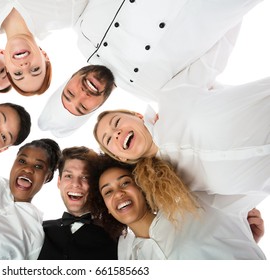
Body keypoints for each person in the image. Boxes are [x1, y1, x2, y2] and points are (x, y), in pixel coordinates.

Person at [37, 0, 262, 136]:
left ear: (68, 80)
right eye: (83, 107)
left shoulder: (83, 32)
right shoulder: (158, 93)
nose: (82, 94)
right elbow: (214, 60)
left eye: (70, 94)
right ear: (96, 108)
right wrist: (235, 8)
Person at [93, 75, 270, 218]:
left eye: (116, 122)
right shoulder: (176, 188)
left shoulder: (172, 97)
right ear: (122, 157)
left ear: (137, 116)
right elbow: (228, 211)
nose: (115, 133)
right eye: (108, 140)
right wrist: (245, 227)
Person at [89, 155, 266, 259]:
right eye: (108, 192)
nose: (118, 193)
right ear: (106, 208)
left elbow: (258, 176)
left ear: (141, 186)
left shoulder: (193, 206)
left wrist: (237, 230)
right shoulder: (130, 258)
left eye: (125, 183)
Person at [38, 146, 117, 260]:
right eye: (68, 176)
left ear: (96, 184)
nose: (75, 184)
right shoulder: (39, 230)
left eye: (85, 177)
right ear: (59, 182)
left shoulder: (117, 238)